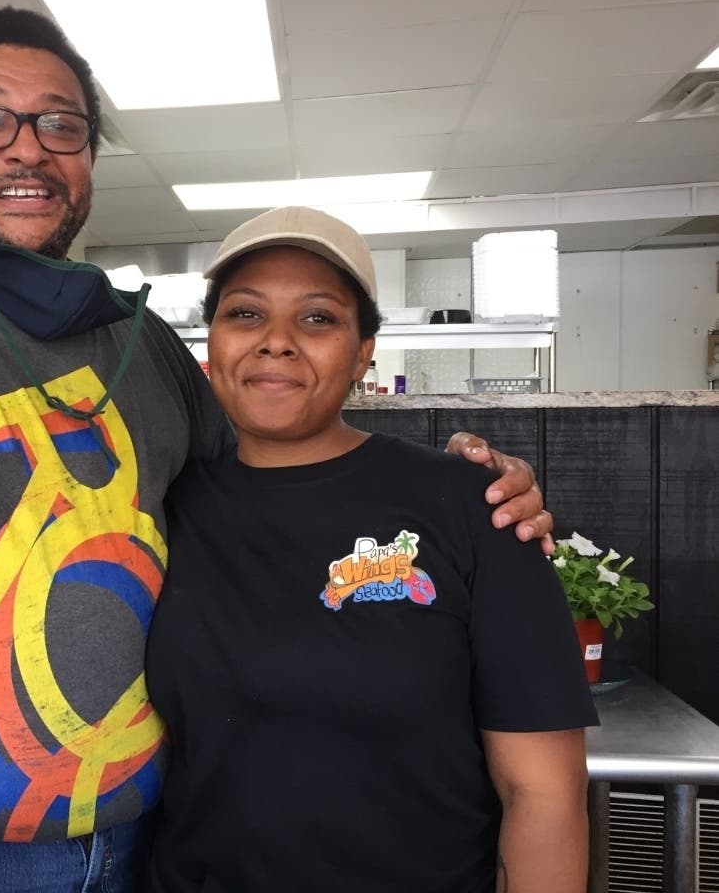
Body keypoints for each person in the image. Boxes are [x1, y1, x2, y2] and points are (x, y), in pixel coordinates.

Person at [0, 8, 555, 893]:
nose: (27, 147)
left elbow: (272, 477)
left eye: (61, 125)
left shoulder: (141, 347)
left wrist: (460, 487)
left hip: (132, 846)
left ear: (85, 164)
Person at [144, 206, 597, 893]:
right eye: (245, 314)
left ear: (363, 353)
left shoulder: (471, 507)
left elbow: (542, 793)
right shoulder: (162, 508)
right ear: (211, 346)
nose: (276, 342)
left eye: (317, 318)